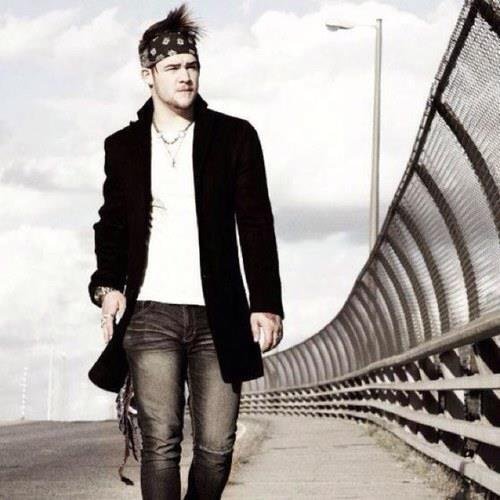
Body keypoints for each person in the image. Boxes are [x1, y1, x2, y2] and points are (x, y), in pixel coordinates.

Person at [87, 3, 285, 499]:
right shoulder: (124, 147)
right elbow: (112, 224)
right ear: (148, 75)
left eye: (192, 65)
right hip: (151, 313)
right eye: (173, 66)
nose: (185, 76)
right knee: (161, 443)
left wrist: (266, 303)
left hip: (219, 315)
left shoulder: (234, 137)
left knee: (217, 447)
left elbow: (256, 224)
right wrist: (107, 287)